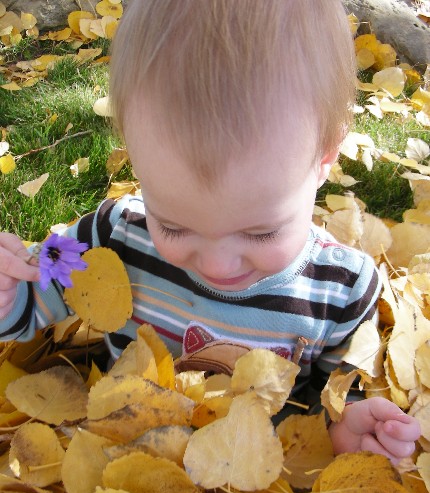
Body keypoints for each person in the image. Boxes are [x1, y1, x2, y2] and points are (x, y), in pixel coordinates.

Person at [0, 0, 420, 463]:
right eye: (173, 225)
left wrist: (346, 429)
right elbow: (29, 302)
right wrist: (9, 292)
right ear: (134, 154)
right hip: (122, 464)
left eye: (261, 233)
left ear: (325, 157)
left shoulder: (341, 291)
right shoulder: (114, 233)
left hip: (253, 485)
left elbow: (335, 397)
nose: (218, 265)